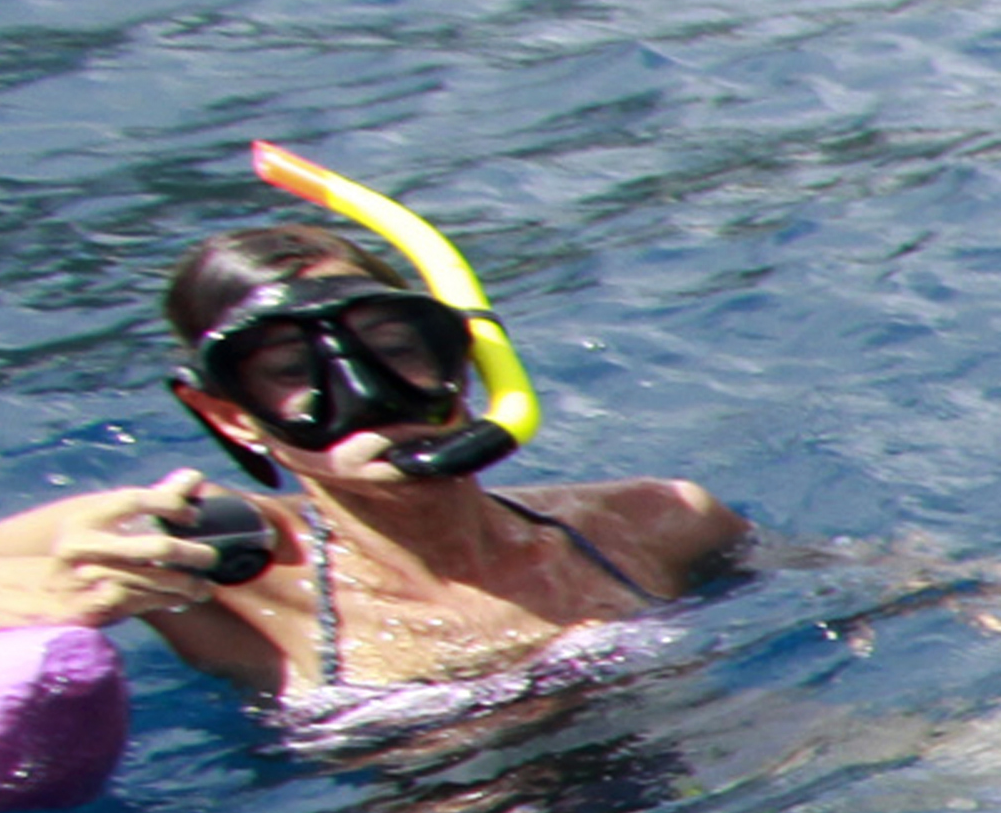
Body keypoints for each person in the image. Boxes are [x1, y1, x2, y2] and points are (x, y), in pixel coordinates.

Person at [114, 214, 747, 749]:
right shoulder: (216, 576)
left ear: (460, 357)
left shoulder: (655, 522)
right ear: (230, 415)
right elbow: (26, 573)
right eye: (290, 369)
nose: (371, 396)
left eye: (395, 347)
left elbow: (835, 592)